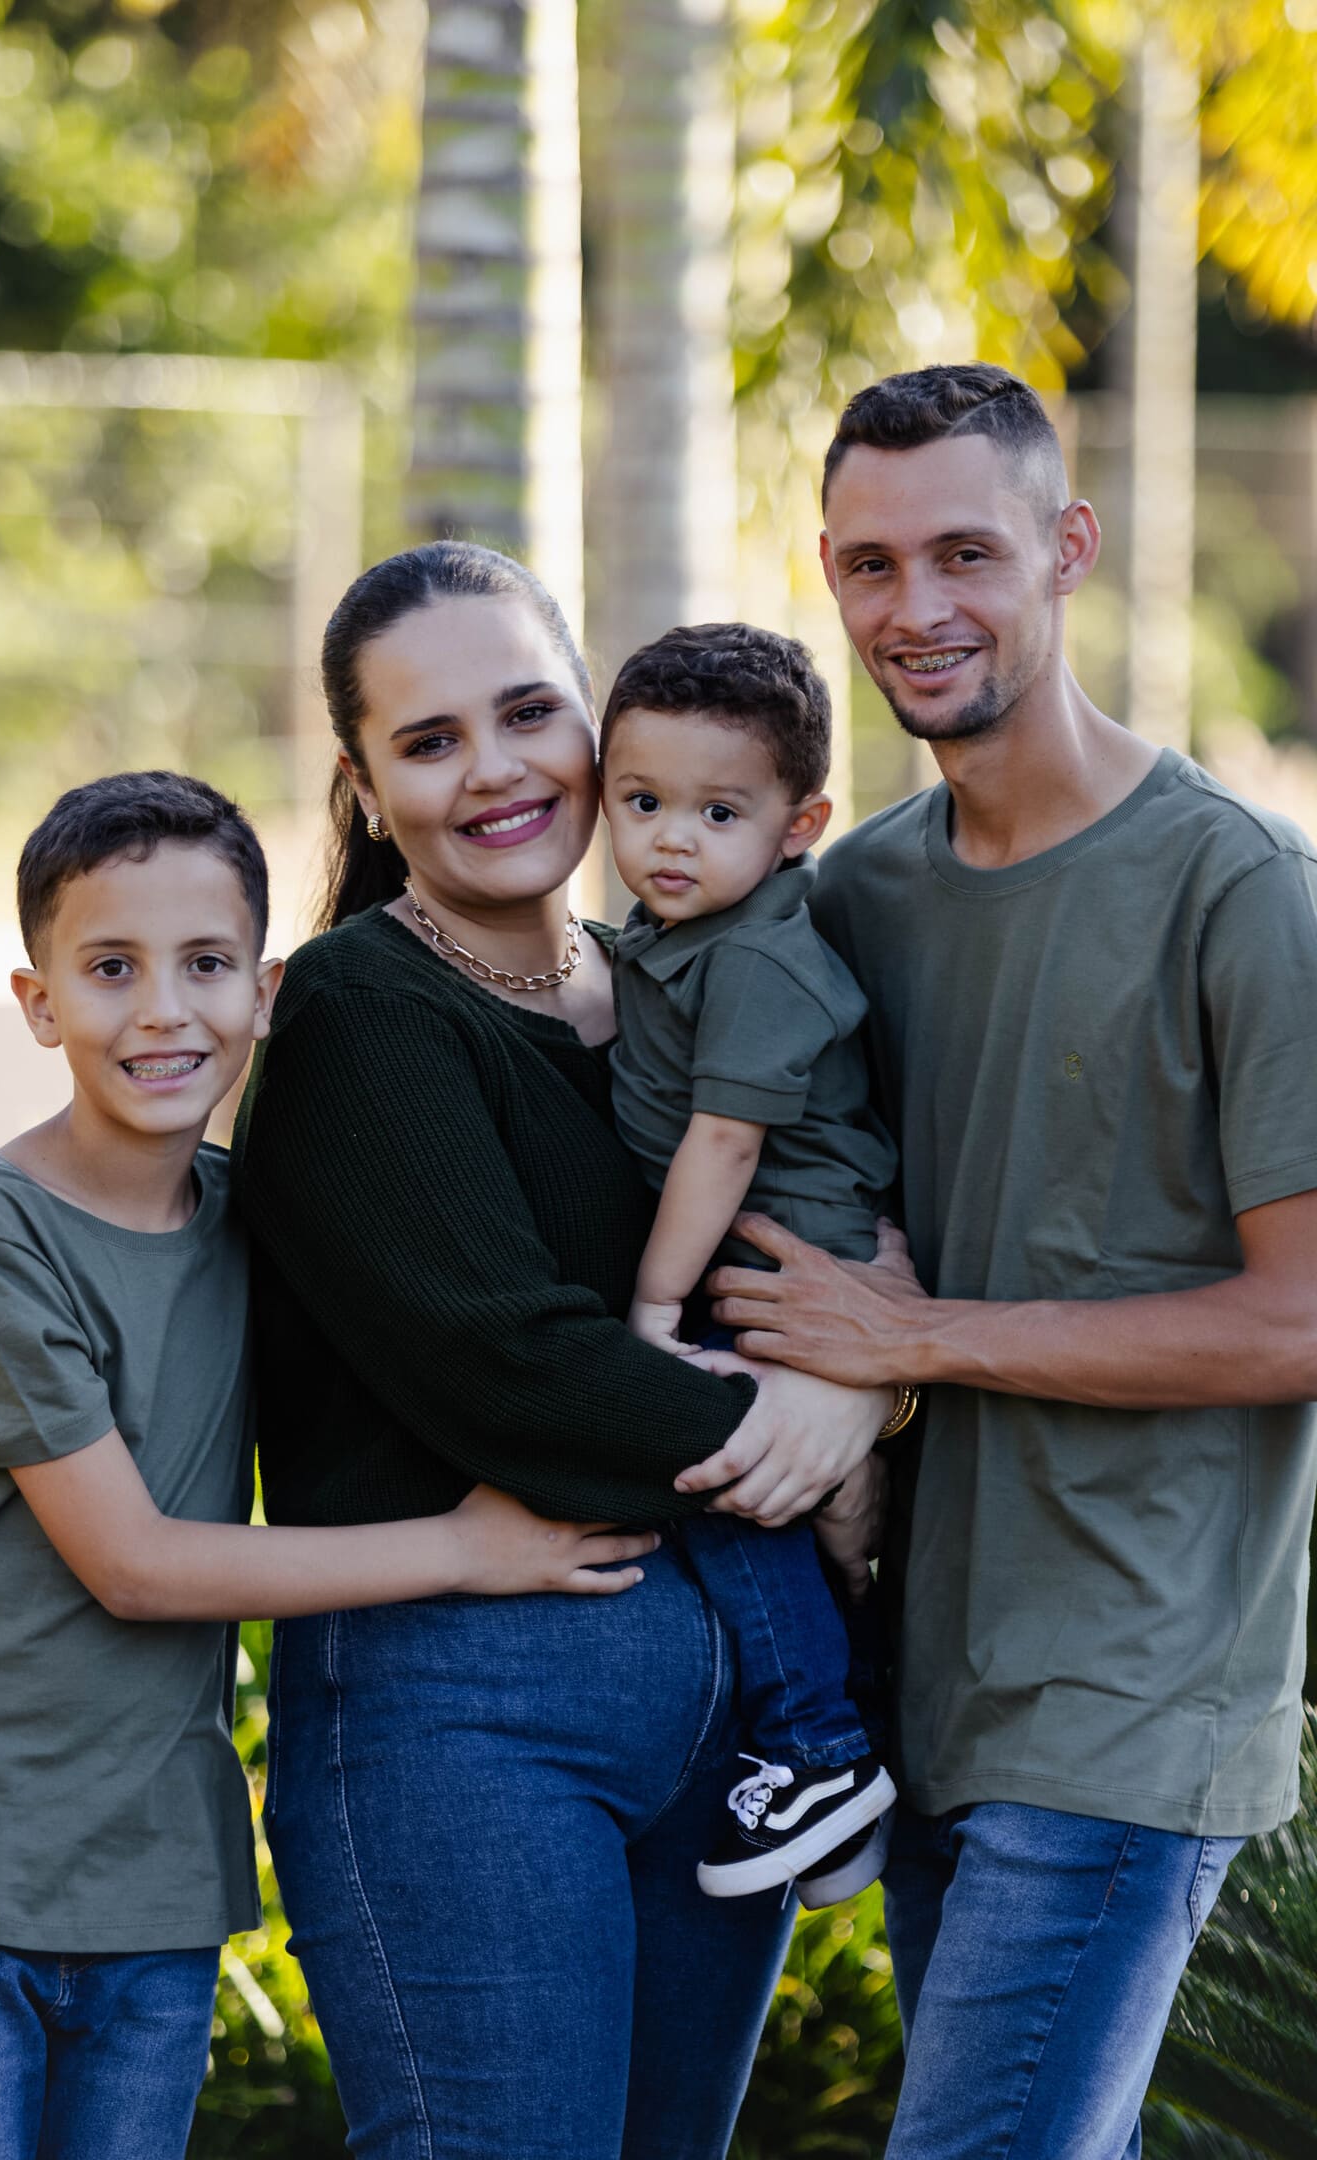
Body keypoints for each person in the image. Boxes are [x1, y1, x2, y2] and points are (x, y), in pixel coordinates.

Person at [704, 362, 1317, 2158]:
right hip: (922, 1682)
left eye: (966, 553)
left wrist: (923, 1337)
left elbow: (1298, 1324)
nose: (919, 610)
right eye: (873, 566)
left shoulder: (1240, 894)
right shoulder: (852, 898)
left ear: (1069, 551)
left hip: (1132, 1696)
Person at [0, 770, 659, 2160]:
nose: (164, 1011)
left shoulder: (261, 1219)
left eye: (206, 966)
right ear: (39, 1000)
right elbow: (130, 1564)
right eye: (111, 969)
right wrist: (470, 1549)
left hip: (157, 1882)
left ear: (267, 990)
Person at [230, 541, 898, 2160]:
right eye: (430, 740)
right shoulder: (357, 1014)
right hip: (466, 1726)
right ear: (367, 789)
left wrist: (876, 1359)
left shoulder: (667, 980)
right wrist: (807, 1427)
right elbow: (510, 1367)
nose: (496, 771)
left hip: (729, 1738)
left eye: (530, 712)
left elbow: (826, 1221)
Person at [599, 621, 905, 1901]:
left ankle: (820, 1749)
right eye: (643, 802)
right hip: (747, 1261)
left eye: (718, 811)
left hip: (789, 1268)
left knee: (722, 1472)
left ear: (799, 825)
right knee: (797, 1511)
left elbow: (723, 1146)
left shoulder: (768, 958)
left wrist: (654, 1305)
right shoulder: (681, 927)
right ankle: (840, 1714)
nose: (673, 838)